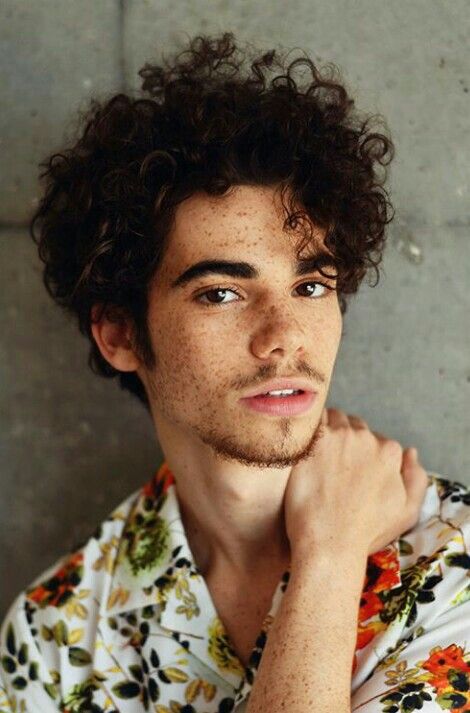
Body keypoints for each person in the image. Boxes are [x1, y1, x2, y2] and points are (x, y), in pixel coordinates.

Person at [1, 32, 469, 713]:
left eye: (311, 287)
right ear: (120, 333)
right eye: (221, 292)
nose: (286, 338)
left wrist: (331, 555)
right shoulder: (55, 641)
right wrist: (330, 556)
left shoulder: (450, 560)